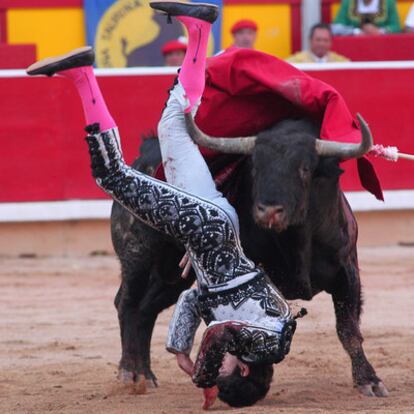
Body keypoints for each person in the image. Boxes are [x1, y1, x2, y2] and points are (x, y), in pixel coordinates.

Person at [26, 1, 296, 409]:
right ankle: (83, 75)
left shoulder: (242, 328)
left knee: (173, 122)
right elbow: (221, 336)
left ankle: (199, 30)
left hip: (211, 226)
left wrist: (177, 348)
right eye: (222, 372)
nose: (216, 367)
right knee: (111, 175)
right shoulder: (269, 343)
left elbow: (192, 299)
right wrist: (199, 372)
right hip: (204, 228)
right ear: (242, 369)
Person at [332, 0, 401, 35]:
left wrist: (379, 31)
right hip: (354, 45)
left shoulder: (388, 2)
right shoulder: (348, 2)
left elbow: (396, 27)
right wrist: (356, 32)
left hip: (382, 44)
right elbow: (337, 27)